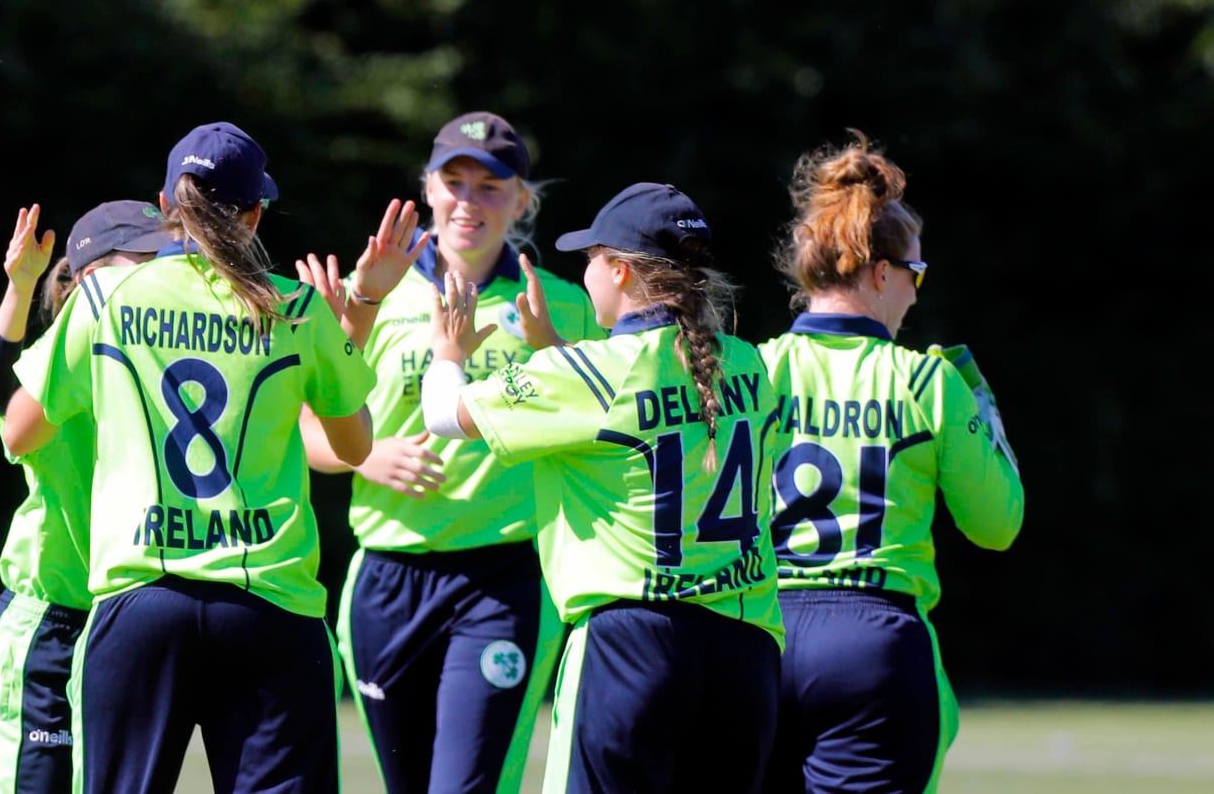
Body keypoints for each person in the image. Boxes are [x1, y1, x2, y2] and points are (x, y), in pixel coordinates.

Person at [0, 122, 377, 793]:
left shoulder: (105, 296)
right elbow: (353, 448)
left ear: (169, 203)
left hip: (142, 603)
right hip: (270, 604)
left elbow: (19, 433)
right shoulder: (297, 308)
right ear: (256, 212)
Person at [421, 182, 785, 793]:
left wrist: (447, 349)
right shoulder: (745, 361)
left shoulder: (586, 372)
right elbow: (645, 404)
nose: (584, 272)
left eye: (590, 258)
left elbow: (441, 415)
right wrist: (552, 351)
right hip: (744, 651)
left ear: (619, 271)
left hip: (632, 647)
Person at [293, 111, 603, 793]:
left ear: (522, 200)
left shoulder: (560, 308)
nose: (469, 202)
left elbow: (601, 429)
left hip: (507, 581)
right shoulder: (368, 298)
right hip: (386, 580)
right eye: (454, 182)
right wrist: (361, 457)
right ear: (428, 190)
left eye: (490, 187)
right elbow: (305, 427)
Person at [757, 132, 1024, 793]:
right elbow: (998, 524)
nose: (917, 294)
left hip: (754, 635)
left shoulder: (750, 370)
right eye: (917, 275)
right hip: (873, 644)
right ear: (882, 274)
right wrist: (986, 414)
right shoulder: (927, 382)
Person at [0, 200, 172, 793]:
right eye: (148, 259)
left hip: (127, 628)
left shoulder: (165, 360)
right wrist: (21, 286)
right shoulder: (56, 364)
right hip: (49, 628)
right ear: (90, 277)